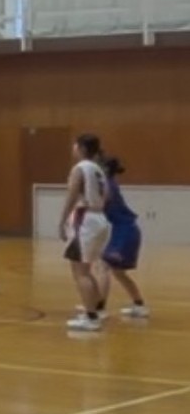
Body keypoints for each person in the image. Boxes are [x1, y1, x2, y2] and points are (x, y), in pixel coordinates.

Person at [58, 134, 111, 332]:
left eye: (75, 145)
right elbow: (107, 196)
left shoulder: (80, 168)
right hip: (100, 218)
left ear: (81, 148)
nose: (73, 148)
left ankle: (91, 318)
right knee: (87, 270)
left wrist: (62, 220)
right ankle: (95, 310)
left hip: (85, 219)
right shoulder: (99, 170)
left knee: (80, 272)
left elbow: (72, 195)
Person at [86, 156, 149, 319]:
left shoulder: (107, 185)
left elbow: (99, 204)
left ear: (104, 169)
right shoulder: (111, 183)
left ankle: (99, 308)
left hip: (125, 231)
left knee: (104, 266)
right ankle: (139, 305)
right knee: (118, 272)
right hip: (127, 230)